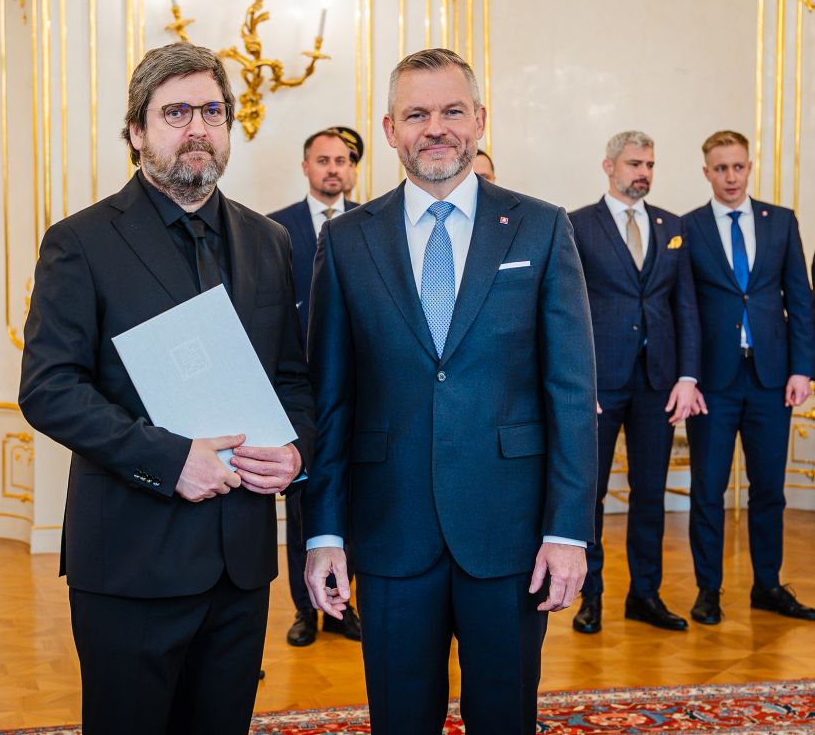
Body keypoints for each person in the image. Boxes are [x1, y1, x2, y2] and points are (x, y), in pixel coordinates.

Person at [18, 42, 315, 734]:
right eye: (175, 112)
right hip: (131, 560)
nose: (197, 129)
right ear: (136, 132)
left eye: (212, 111)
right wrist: (169, 459)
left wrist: (295, 451)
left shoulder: (269, 240)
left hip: (241, 563)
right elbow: (49, 387)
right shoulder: (80, 241)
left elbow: (292, 379)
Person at [303, 48, 598, 734]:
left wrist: (567, 530)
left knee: (505, 716)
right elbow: (331, 399)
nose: (435, 128)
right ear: (389, 130)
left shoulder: (541, 226)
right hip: (390, 533)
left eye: (451, 111)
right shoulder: (347, 241)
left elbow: (572, 392)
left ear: (480, 120)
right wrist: (324, 532)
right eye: (416, 114)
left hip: (511, 534)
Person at [568, 131, 703, 635]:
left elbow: (684, 304)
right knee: (591, 496)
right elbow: (569, 312)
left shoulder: (672, 226)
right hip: (600, 385)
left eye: (650, 163)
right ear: (609, 166)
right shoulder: (577, 224)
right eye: (633, 163)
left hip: (658, 383)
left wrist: (687, 376)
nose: (643, 171)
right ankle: (591, 598)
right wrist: (580, 382)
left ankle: (645, 595)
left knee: (650, 493)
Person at [684, 129, 815, 625]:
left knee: (769, 491)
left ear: (749, 167)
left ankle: (768, 586)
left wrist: (803, 368)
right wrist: (688, 376)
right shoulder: (689, 227)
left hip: (771, 378)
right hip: (714, 382)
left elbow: (799, 300)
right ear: (706, 172)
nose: (731, 177)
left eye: (738, 167)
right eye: (721, 168)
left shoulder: (780, 222)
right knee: (708, 490)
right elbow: (686, 307)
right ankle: (708, 591)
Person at [269, 127, 362, 646]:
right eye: (323, 160)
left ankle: (344, 604)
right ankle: (305, 609)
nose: (333, 169)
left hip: (362, 385)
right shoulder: (274, 229)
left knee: (354, 498)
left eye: (342, 160)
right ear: (306, 167)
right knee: (303, 497)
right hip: (300, 386)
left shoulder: (376, 222)